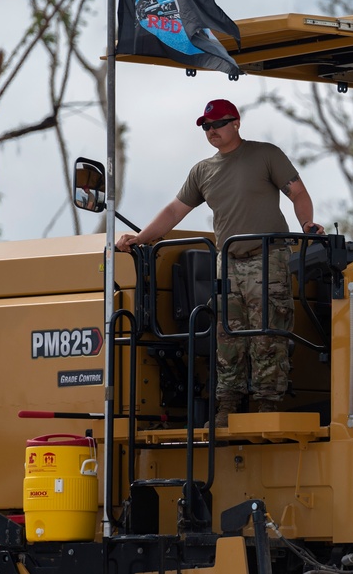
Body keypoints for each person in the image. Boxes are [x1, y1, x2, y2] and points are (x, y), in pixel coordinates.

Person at [117, 99, 324, 427]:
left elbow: (297, 193)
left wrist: (307, 225)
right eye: (205, 126)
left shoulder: (265, 155)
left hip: (266, 258)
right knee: (228, 336)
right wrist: (140, 238)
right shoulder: (203, 171)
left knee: (268, 334)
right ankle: (226, 410)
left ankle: (267, 410)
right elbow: (174, 210)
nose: (211, 131)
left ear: (236, 123)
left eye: (217, 124)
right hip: (226, 263)